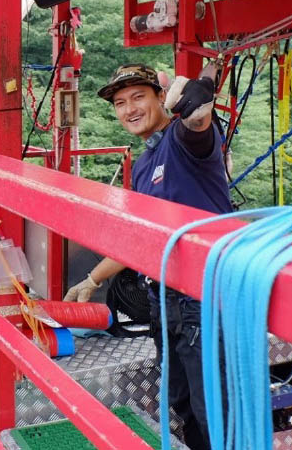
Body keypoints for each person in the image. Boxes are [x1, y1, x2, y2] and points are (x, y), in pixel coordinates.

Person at [64, 63, 231, 450]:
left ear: (160, 97)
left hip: (201, 300)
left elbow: (198, 127)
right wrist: (93, 280)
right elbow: (140, 239)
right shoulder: (141, 168)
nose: (129, 109)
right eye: (120, 103)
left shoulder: (181, 140)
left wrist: (197, 107)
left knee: (214, 413)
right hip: (164, 302)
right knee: (183, 405)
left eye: (138, 97)